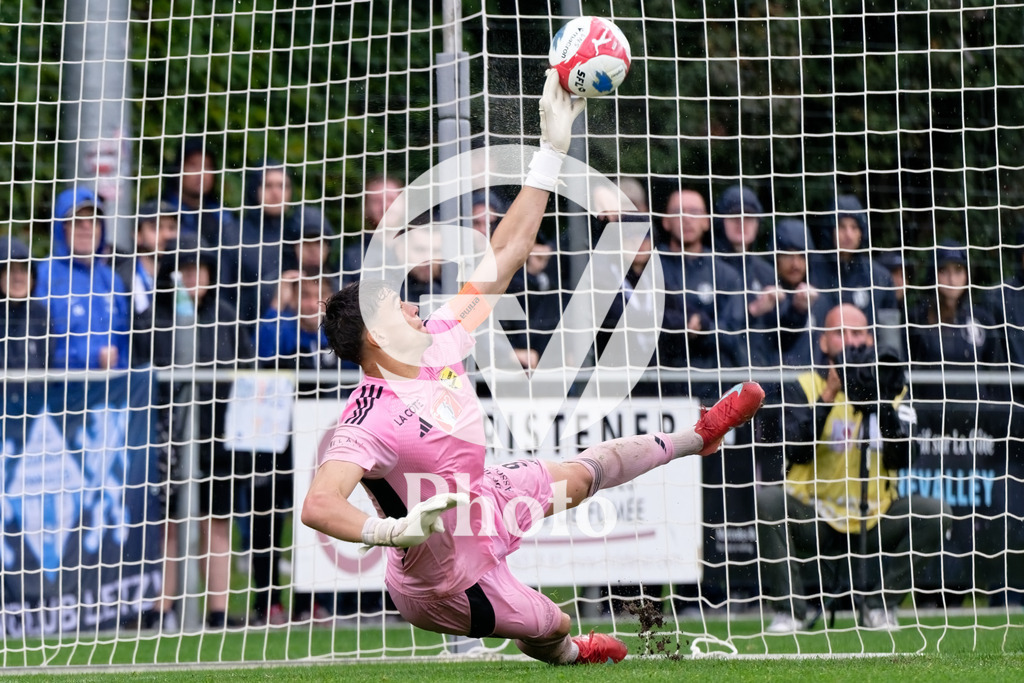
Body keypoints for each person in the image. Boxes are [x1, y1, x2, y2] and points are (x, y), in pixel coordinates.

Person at [300, 71, 766, 665]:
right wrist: (391, 531)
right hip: (442, 582)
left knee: (583, 473)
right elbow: (318, 504)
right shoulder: (366, 417)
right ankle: (566, 650)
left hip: (485, 501)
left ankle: (696, 436)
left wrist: (551, 152)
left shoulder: (440, 337)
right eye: (399, 305)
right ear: (375, 335)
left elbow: (508, 251)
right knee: (554, 623)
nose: (416, 304)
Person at [756, 303, 950, 634]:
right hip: (817, 515)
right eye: (840, 333)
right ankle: (791, 612)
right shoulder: (804, 386)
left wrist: (883, 405)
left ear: (871, 341)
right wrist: (829, 396)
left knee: (935, 512)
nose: (850, 340)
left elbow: (905, 459)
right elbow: (797, 451)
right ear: (823, 342)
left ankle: (879, 606)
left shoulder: (895, 389)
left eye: (858, 332)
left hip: (875, 518)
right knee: (768, 501)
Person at [150, 234, 256, 629]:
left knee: (217, 520)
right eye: (186, 269)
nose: (195, 277)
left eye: (201, 269)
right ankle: (164, 608)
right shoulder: (154, 318)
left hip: (220, 437)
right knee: (171, 524)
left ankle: (217, 611)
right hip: (171, 437)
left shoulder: (226, 314)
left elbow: (245, 373)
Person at [656, 187, 747, 393]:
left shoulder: (725, 274)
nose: (686, 219)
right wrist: (682, 326)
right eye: (678, 212)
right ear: (665, 221)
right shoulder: (650, 268)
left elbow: (733, 334)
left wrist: (702, 329)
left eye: (694, 213)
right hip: (660, 386)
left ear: (706, 221)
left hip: (712, 388)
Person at [34, 187, 131, 370]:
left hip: (111, 391)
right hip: (64, 393)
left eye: (93, 221)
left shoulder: (112, 280)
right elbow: (39, 348)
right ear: (62, 228)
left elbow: (123, 345)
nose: (86, 228)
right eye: (77, 221)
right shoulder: (44, 276)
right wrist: (92, 358)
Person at [907, 242, 1006, 403]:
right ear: (933, 274)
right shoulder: (917, 319)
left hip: (976, 418)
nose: (952, 279)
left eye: (958, 270)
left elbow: (998, 375)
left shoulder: (982, 319)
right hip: (929, 416)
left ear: (967, 275)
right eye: (943, 270)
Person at [163, 137, 242, 306]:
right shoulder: (164, 215)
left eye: (207, 167)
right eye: (193, 165)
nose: (200, 174)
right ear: (178, 169)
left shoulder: (225, 217)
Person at [713, 184, 784, 370]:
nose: (742, 222)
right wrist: (751, 311)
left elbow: (783, 336)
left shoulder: (766, 271)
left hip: (761, 375)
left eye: (749, 217)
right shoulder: (706, 267)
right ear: (721, 221)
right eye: (735, 215)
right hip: (717, 376)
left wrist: (796, 310)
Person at [114, 199, 179, 367]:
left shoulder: (185, 278)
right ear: (137, 235)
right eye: (156, 227)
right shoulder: (120, 279)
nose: (166, 235)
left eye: (172, 228)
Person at [342, 175, 404, 286]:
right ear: (366, 208)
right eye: (377, 201)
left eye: (391, 199)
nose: (385, 206)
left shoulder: (420, 249)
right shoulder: (353, 256)